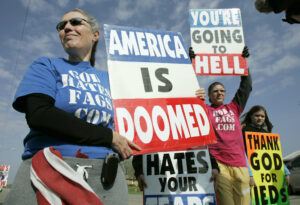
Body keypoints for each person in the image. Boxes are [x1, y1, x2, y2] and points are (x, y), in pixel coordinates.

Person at [4, 8, 141, 205]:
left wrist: (190, 90)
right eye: (62, 26)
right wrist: (108, 136)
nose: (67, 27)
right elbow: (40, 115)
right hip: (48, 171)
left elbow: (144, 115)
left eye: (76, 22)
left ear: (95, 35)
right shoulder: (46, 66)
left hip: (106, 180)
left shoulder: (112, 80)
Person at [195, 46, 252, 205]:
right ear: (210, 95)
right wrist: (189, 63)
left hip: (240, 164)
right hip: (219, 165)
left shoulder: (234, 107)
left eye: (222, 90)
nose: (219, 93)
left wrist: (243, 64)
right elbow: (187, 98)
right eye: (215, 91)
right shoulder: (204, 109)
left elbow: (246, 87)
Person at [241, 105, 290, 188]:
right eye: (257, 116)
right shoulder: (244, 132)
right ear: (250, 116)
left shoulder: (266, 133)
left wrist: (286, 171)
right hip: (250, 173)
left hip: (267, 175)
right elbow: (242, 152)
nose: (260, 118)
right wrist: (250, 174)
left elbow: (275, 154)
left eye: (262, 116)